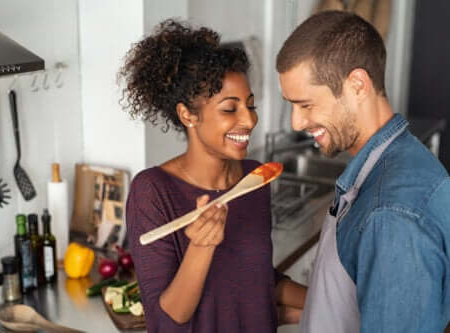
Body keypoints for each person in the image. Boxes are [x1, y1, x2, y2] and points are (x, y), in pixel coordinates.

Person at [120, 19, 306, 333]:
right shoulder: (152, 191)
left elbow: (255, 279)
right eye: (229, 109)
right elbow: (165, 322)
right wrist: (201, 248)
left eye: (250, 105)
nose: (249, 120)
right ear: (187, 115)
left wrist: (332, 301)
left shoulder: (254, 179)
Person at [276, 10, 450, 333]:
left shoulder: (391, 213)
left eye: (306, 105)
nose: (295, 123)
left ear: (357, 85)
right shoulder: (397, 161)